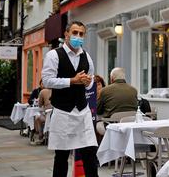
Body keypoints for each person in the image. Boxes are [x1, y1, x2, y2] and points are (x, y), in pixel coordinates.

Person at [42, 21, 99, 177]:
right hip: (63, 111)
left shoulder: (86, 56)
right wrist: (71, 81)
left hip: (82, 111)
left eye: (81, 34)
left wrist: (88, 82)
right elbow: (46, 81)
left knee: (90, 153)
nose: (78, 37)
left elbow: (91, 81)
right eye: (75, 33)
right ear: (66, 34)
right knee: (61, 156)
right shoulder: (54, 55)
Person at [95, 68, 139, 136]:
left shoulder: (105, 90)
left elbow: (98, 111)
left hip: (111, 126)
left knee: (97, 124)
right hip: (130, 126)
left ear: (112, 79)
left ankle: (102, 145)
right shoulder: (134, 90)